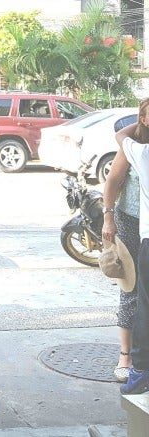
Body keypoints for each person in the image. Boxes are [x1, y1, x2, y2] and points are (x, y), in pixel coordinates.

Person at [102, 135, 143, 382]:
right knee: (131, 288)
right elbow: (113, 181)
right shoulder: (132, 146)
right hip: (130, 221)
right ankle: (125, 356)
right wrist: (108, 218)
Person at [115, 115, 149, 395]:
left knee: (145, 306)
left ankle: (139, 371)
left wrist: (138, 124)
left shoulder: (143, 153)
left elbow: (120, 136)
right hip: (140, 233)